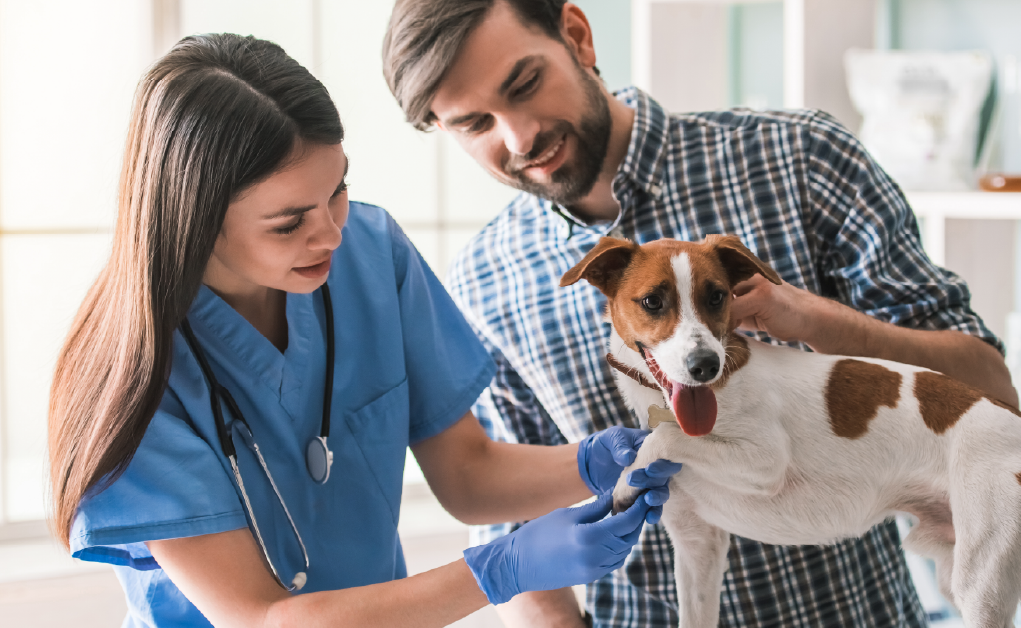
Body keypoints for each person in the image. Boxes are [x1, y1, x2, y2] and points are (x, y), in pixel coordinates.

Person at [380, 1, 1020, 627]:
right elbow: (511, 514)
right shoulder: (486, 280)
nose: (519, 137)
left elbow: (990, 387)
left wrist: (811, 318)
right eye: (473, 124)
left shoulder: (799, 160)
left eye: (525, 84)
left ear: (576, 35)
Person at [47, 33, 681, 628]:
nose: (330, 233)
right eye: (289, 222)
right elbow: (263, 619)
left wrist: (600, 461)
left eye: (338, 190)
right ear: (196, 222)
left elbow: (468, 475)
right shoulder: (133, 368)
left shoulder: (372, 254)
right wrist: (501, 569)